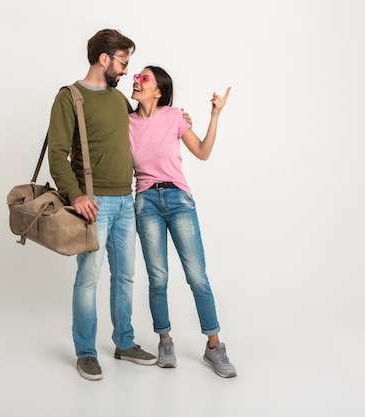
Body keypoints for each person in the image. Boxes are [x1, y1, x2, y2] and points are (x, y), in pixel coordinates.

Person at [47, 29, 157, 381]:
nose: (127, 71)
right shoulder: (70, 97)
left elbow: (142, 129)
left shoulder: (118, 100)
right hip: (93, 205)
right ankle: (86, 352)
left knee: (124, 276)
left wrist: (174, 119)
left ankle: (124, 342)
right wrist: (76, 195)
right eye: (123, 62)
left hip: (127, 200)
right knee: (89, 278)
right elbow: (58, 156)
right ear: (104, 59)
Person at [128, 65, 237, 378]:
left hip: (178, 199)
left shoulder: (174, 116)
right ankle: (165, 340)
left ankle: (214, 347)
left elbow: (202, 151)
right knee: (157, 277)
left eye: (144, 78)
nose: (137, 80)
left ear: (158, 90)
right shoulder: (127, 123)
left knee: (196, 276)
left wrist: (214, 115)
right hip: (146, 201)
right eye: (136, 76)